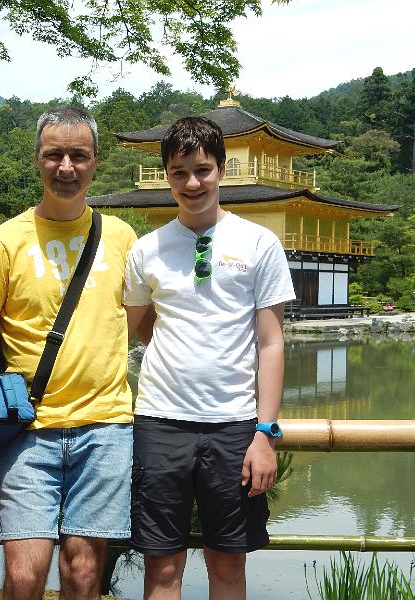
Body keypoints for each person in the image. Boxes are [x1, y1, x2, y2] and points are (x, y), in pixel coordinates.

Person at [0, 106, 137, 600]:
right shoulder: (4, 241)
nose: (66, 167)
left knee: (84, 572)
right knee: (24, 575)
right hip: (29, 430)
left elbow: (139, 324)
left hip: (106, 425)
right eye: (54, 155)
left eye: (79, 156)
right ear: (37, 160)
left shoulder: (123, 238)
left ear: (95, 162)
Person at [123, 116, 296, 600]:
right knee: (161, 565)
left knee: (227, 563)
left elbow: (271, 343)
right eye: (179, 172)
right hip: (160, 421)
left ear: (221, 169)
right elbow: (139, 323)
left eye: (202, 170)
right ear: (166, 175)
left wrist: (265, 432)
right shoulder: (147, 250)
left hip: (234, 424)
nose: (192, 183)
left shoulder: (259, 242)